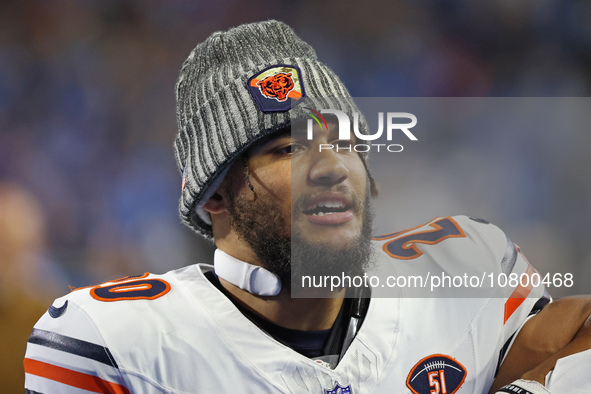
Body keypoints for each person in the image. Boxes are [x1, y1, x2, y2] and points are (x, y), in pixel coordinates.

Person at [24, 20, 591, 394]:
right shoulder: (113, 342)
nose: (332, 166)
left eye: (346, 143)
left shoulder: (463, 270)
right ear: (214, 192)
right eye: (288, 148)